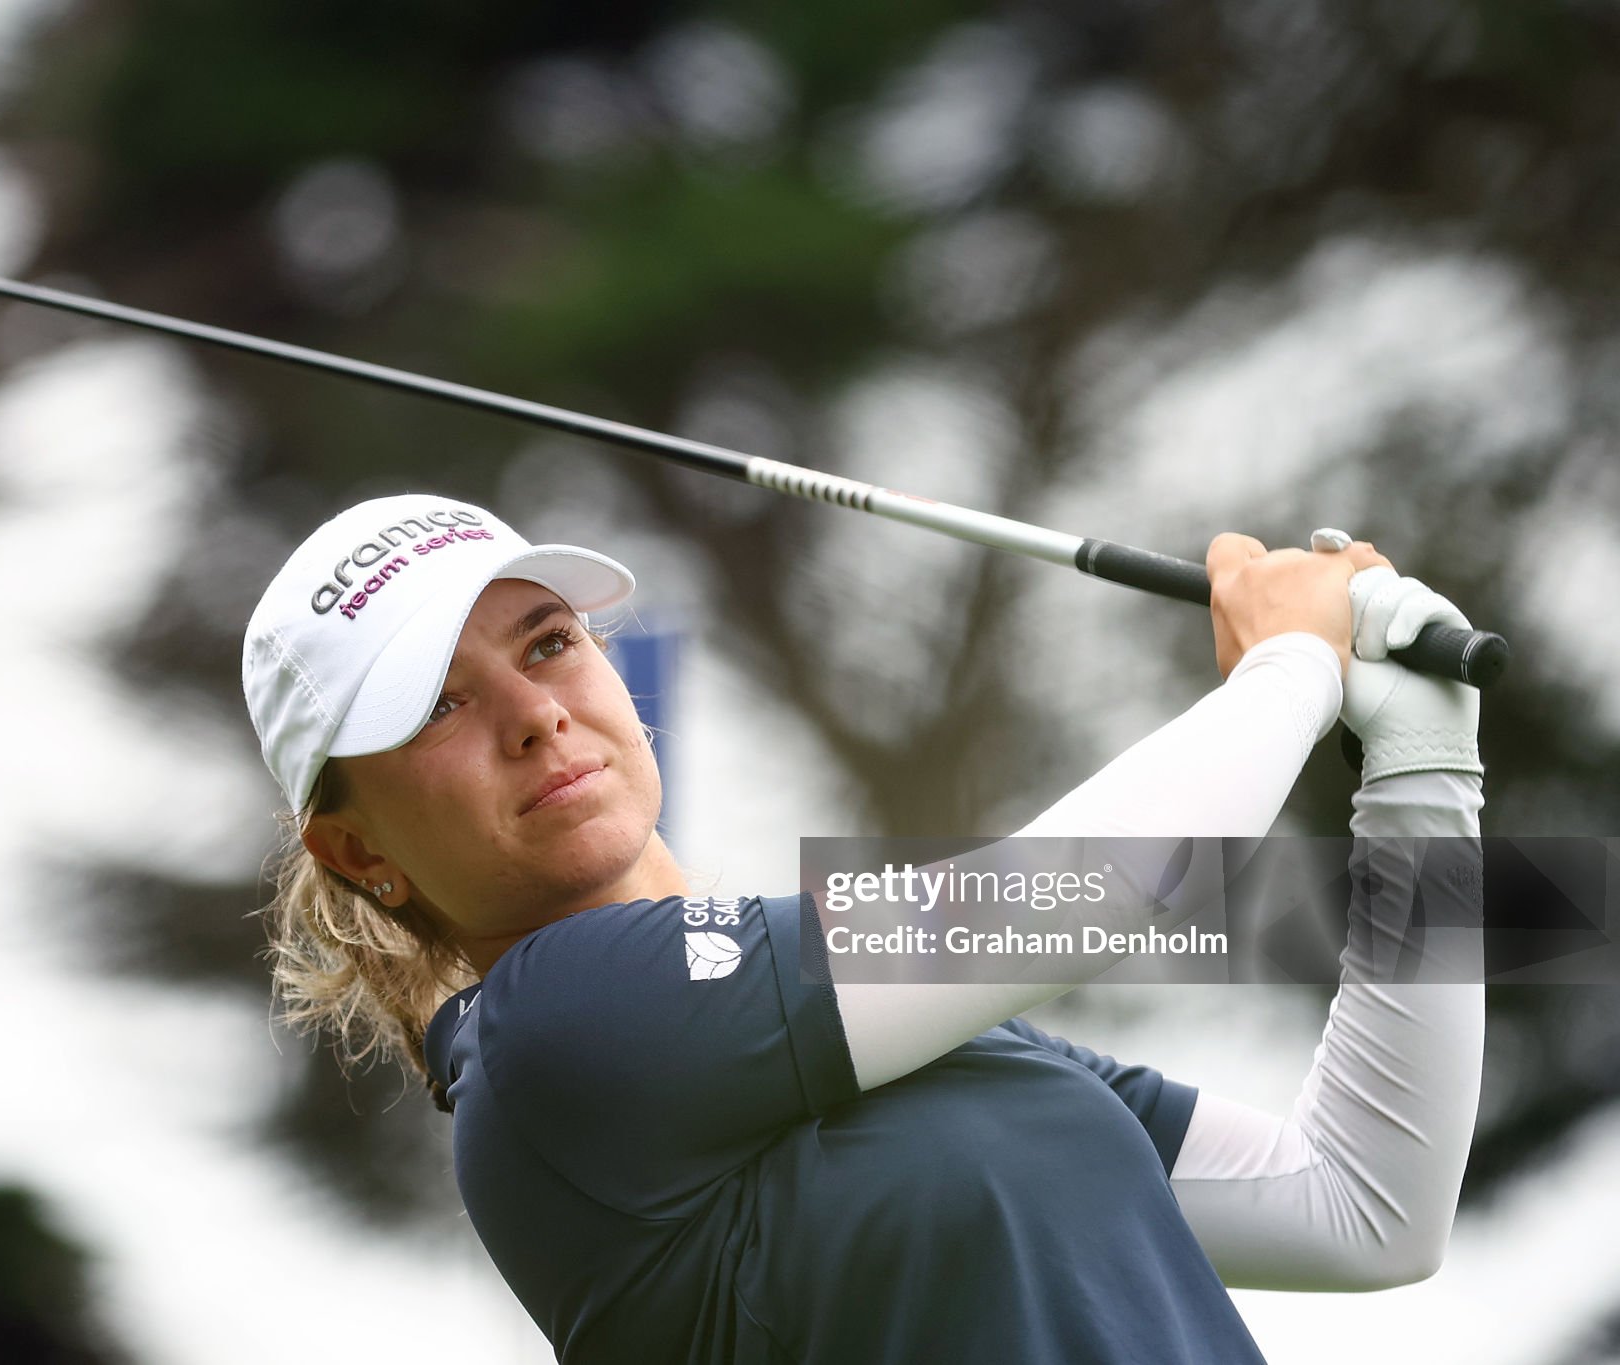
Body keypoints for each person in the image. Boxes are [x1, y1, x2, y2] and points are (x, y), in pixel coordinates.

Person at [239, 491, 1485, 1363]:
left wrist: (1423, 760)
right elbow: (1076, 896)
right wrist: (1292, 665)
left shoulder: (926, 1050)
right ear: (355, 850)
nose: (533, 715)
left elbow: (1363, 1209)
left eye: (548, 643)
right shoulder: (553, 1030)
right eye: (440, 705)